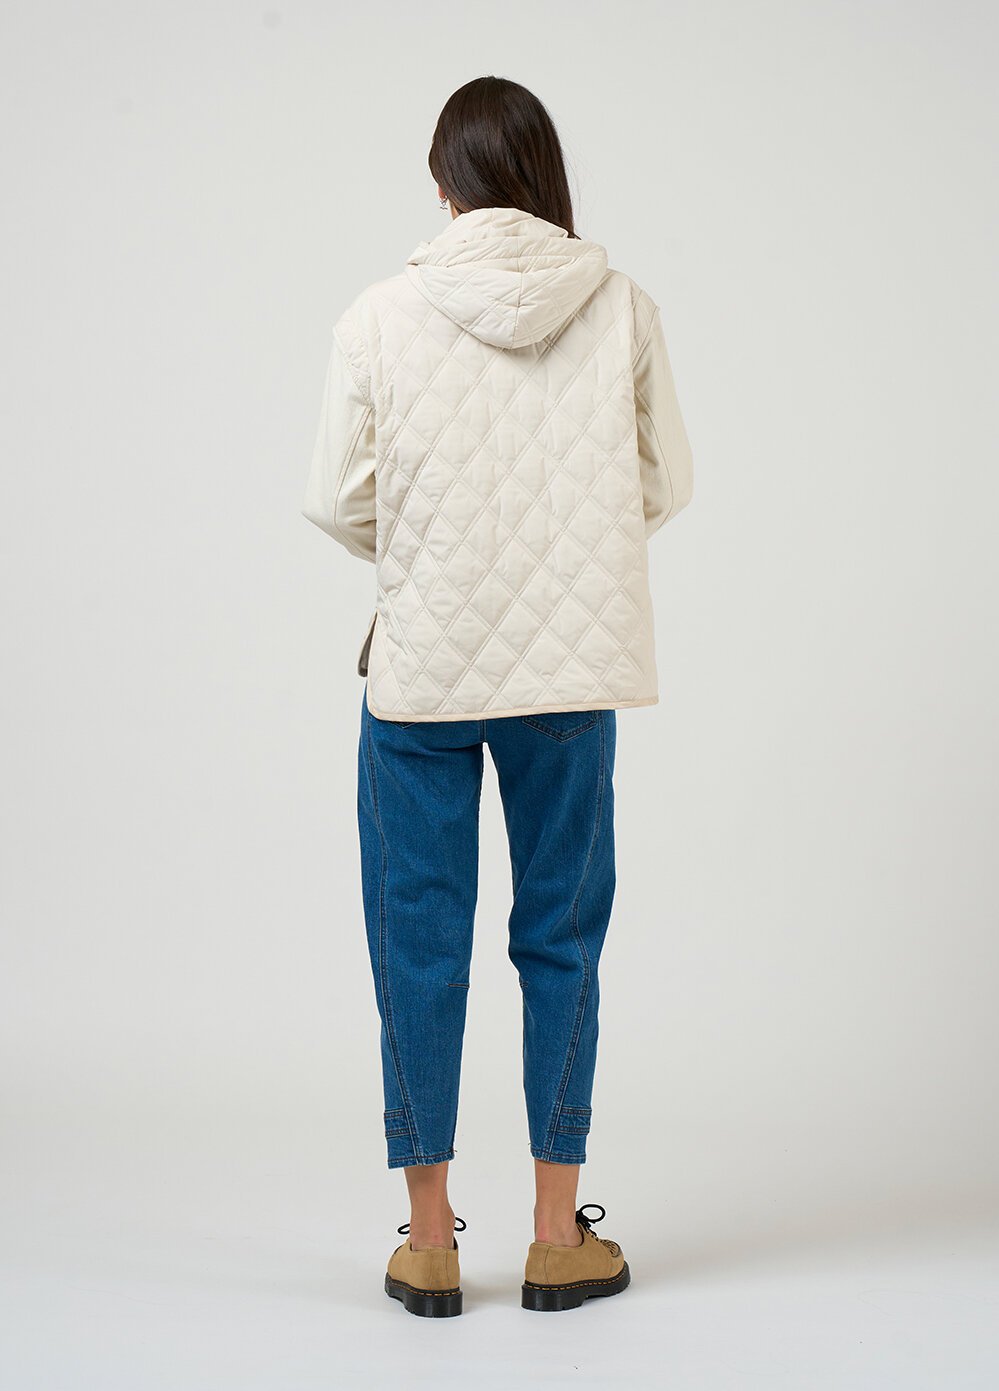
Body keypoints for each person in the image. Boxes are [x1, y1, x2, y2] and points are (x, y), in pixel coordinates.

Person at [302, 74, 693, 1317]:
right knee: (559, 939)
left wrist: (429, 552)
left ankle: (427, 1239)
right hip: (570, 675)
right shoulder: (621, 305)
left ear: (443, 184)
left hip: (422, 671)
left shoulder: (377, 315)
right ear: (543, 174)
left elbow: (333, 496)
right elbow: (664, 482)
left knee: (417, 940)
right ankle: (553, 1233)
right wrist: (565, 545)